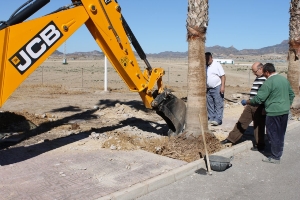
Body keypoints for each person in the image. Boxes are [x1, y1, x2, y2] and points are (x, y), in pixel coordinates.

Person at [242, 63, 295, 164]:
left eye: (264, 73)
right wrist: (287, 105)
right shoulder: (283, 79)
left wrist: (247, 102)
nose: (264, 75)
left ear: (267, 72)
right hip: (284, 112)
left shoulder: (268, 82)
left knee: (273, 134)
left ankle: (275, 157)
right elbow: (291, 94)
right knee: (280, 134)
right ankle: (278, 152)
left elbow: (258, 99)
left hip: (273, 113)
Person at [220, 62, 266, 151]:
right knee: (242, 122)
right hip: (250, 104)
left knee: (258, 126)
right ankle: (231, 139)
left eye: (255, 71)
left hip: (259, 106)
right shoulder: (258, 78)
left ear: (260, 69)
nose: (254, 73)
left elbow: (264, 96)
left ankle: (260, 145)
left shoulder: (266, 79)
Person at [205, 52, 226, 126]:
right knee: (209, 104)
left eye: (208, 58)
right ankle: (211, 118)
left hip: (217, 87)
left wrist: (222, 86)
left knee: (218, 103)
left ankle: (218, 119)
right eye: (205, 58)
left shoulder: (217, 64)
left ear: (211, 58)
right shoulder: (205, 66)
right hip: (208, 88)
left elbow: (223, 76)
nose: (207, 60)